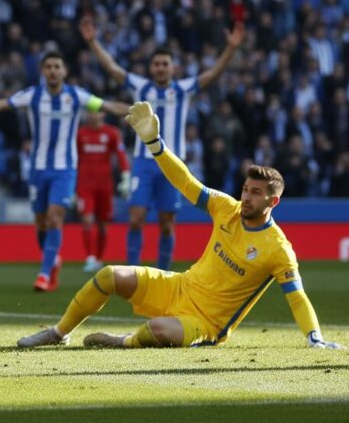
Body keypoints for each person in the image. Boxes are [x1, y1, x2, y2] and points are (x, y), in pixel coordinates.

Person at [17, 101, 345, 350]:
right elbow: (186, 182)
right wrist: (155, 144)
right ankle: (59, 333)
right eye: (246, 189)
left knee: (158, 330)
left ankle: (123, 342)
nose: (246, 197)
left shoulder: (278, 249)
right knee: (108, 276)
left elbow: (297, 298)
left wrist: (315, 338)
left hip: (205, 322)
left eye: (256, 194)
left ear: (273, 202)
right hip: (179, 286)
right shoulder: (225, 208)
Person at [80, 16, 245, 271]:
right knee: (136, 219)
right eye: (156, 64)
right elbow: (112, 68)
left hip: (172, 164)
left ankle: (164, 273)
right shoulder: (141, 87)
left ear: (173, 68)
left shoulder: (182, 89)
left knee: (167, 223)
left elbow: (212, 75)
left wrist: (231, 48)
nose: (160, 68)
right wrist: (92, 43)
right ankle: (132, 272)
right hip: (144, 163)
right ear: (151, 68)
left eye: (165, 64)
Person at [0, 52, 127, 292]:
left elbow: (108, 106)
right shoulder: (33, 95)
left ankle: (44, 273)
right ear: (43, 71)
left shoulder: (77, 96)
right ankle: (52, 259)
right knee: (41, 222)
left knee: (55, 216)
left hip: (65, 169)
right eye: (48, 66)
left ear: (64, 71)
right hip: (37, 169)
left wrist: (136, 111)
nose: (53, 70)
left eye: (57, 66)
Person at [77, 110, 130, 273]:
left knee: (102, 226)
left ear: (103, 114)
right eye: (91, 112)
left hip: (105, 186)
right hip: (85, 185)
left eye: (97, 112)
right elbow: (74, 158)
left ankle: (99, 259)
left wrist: (126, 175)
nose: (94, 115)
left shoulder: (111, 133)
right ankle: (90, 258)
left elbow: (121, 155)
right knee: (87, 219)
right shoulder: (80, 134)